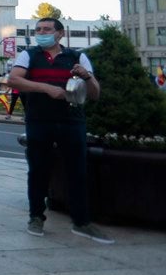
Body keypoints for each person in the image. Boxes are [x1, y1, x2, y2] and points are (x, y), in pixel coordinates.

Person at [7, 17, 111, 243]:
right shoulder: (30, 55)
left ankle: (81, 222)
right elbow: (13, 79)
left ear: (60, 34)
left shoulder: (77, 57)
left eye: (47, 29)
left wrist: (87, 76)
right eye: (38, 29)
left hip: (72, 121)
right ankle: (36, 216)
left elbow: (94, 94)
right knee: (38, 171)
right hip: (39, 121)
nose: (41, 32)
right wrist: (45, 88)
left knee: (77, 171)